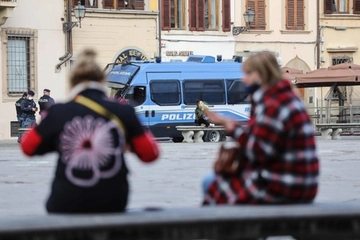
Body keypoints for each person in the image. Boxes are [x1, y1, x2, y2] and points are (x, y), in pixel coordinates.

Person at [20, 49, 160, 213]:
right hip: (113, 202)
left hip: (65, 203)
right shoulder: (123, 111)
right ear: (102, 81)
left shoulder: (58, 112)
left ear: (72, 83)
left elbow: (27, 147)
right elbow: (151, 154)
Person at [202, 52, 319, 205]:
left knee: (212, 185)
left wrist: (231, 127)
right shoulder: (284, 97)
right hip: (301, 183)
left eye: (248, 73)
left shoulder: (274, 103)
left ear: (262, 75)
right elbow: (264, 140)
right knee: (213, 182)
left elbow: (257, 151)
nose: (244, 79)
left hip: (284, 186)